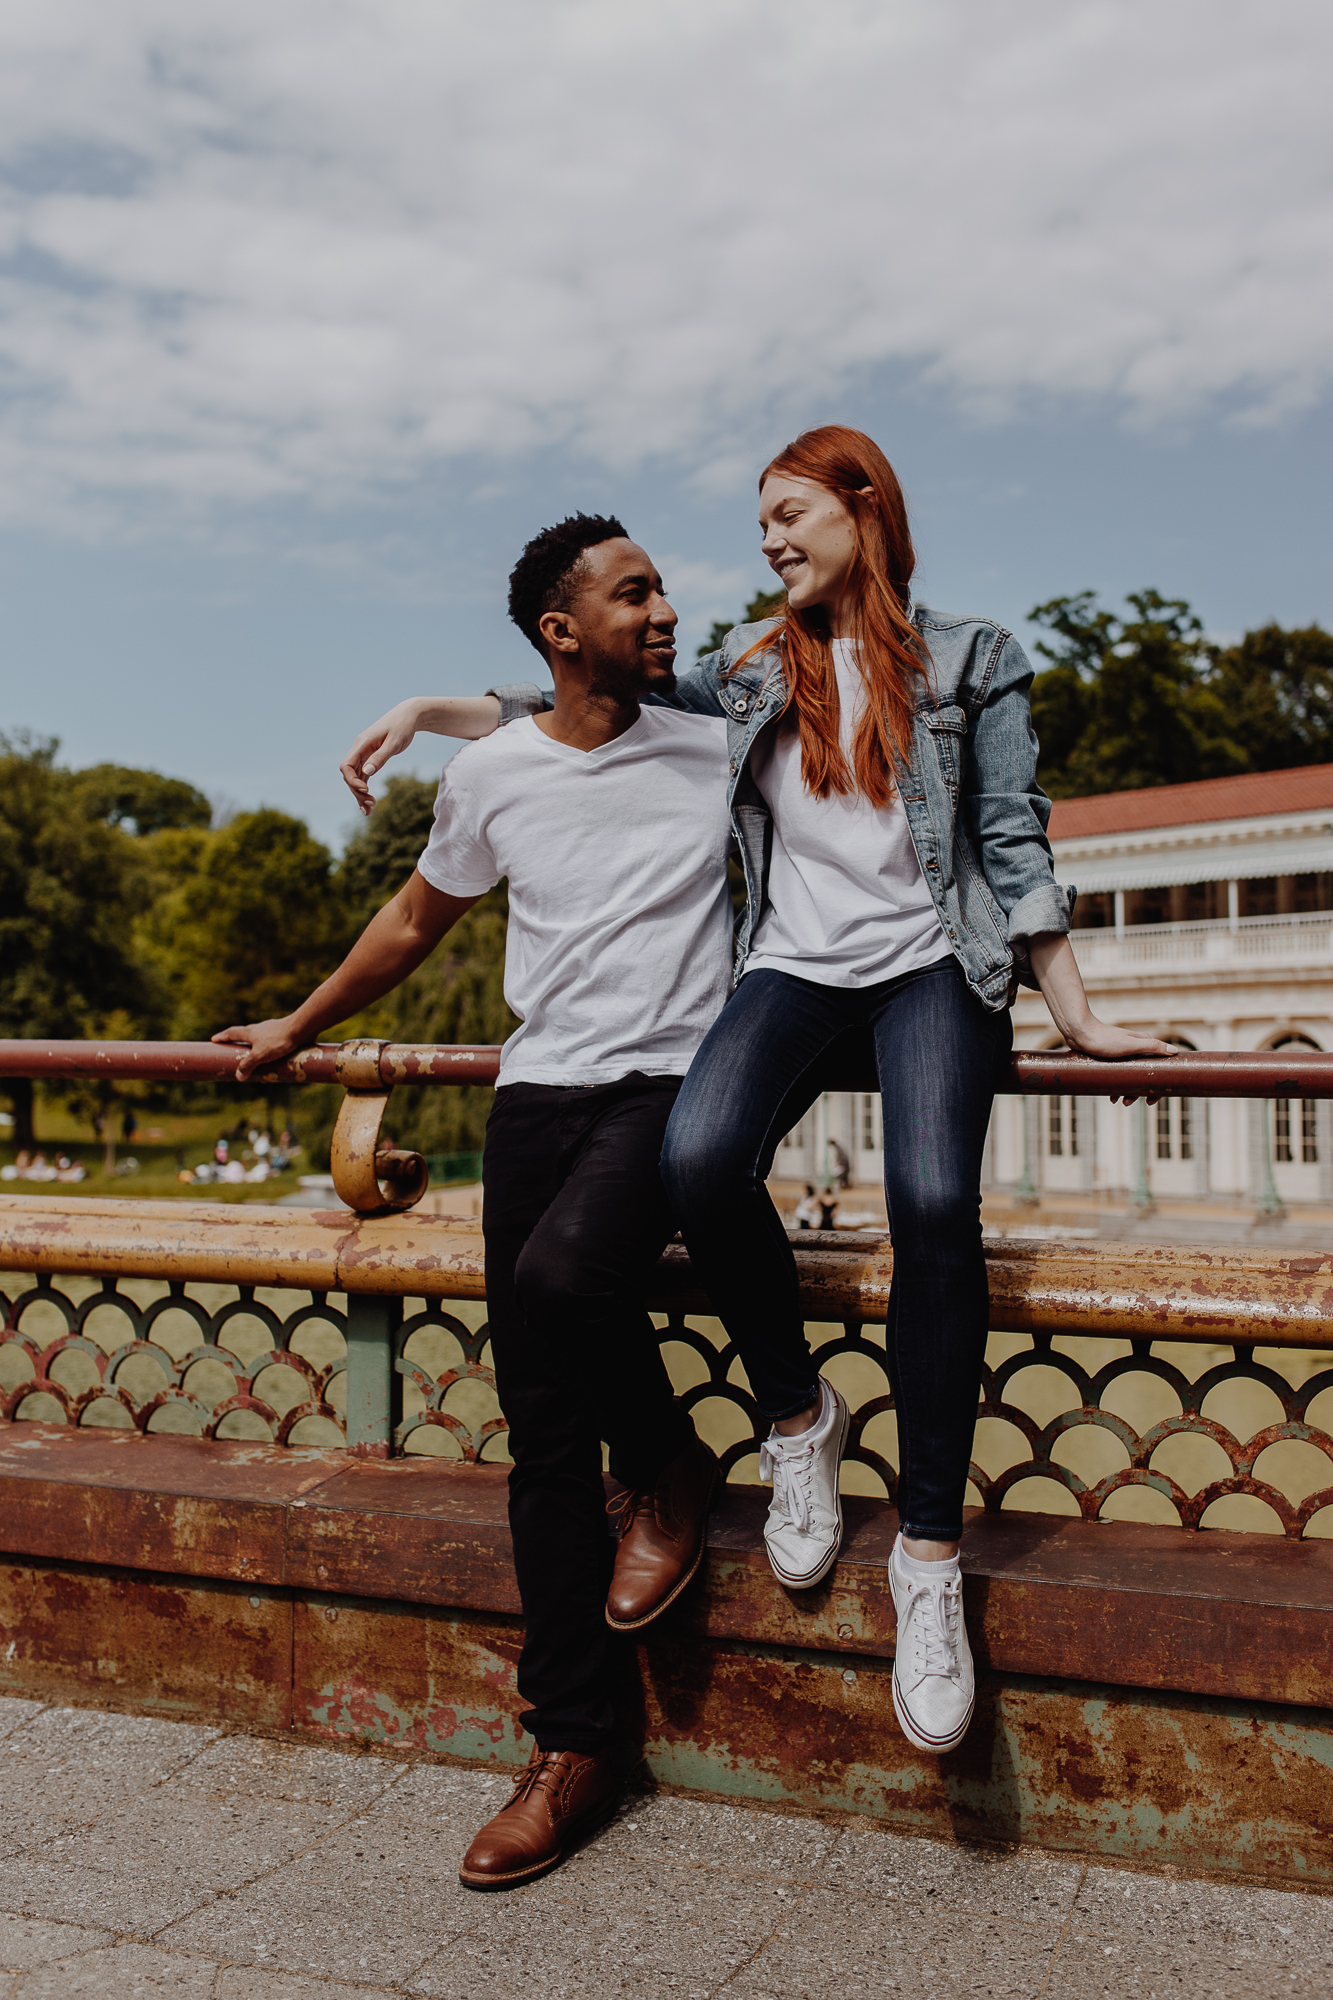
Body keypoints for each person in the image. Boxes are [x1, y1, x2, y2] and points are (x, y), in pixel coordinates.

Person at [342, 424, 1176, 1762]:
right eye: (760, 527)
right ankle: (796, 1417)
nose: (770, 542)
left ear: (864, 508)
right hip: (788, 968)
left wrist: (1073, 1010)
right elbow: (574, 705)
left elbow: (1011, 833)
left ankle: (923, 1553)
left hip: (928, 971)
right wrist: (432, 709)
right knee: (697, 1155)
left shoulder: (972, 658)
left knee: (928, 1201)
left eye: (789, 514)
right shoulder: (743, 672)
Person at [217, 513, 731, 1889]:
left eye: (663, 586)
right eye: (634, 594)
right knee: (542, 1440)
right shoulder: (494, 774)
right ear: (563, 632)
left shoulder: (720, 743)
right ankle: (577, 1747)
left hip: (669, 1086)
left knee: (570, 1285)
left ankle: (675, 1460)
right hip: (538, 1098)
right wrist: (298, 1022)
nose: (665, 608)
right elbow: (411, 922)